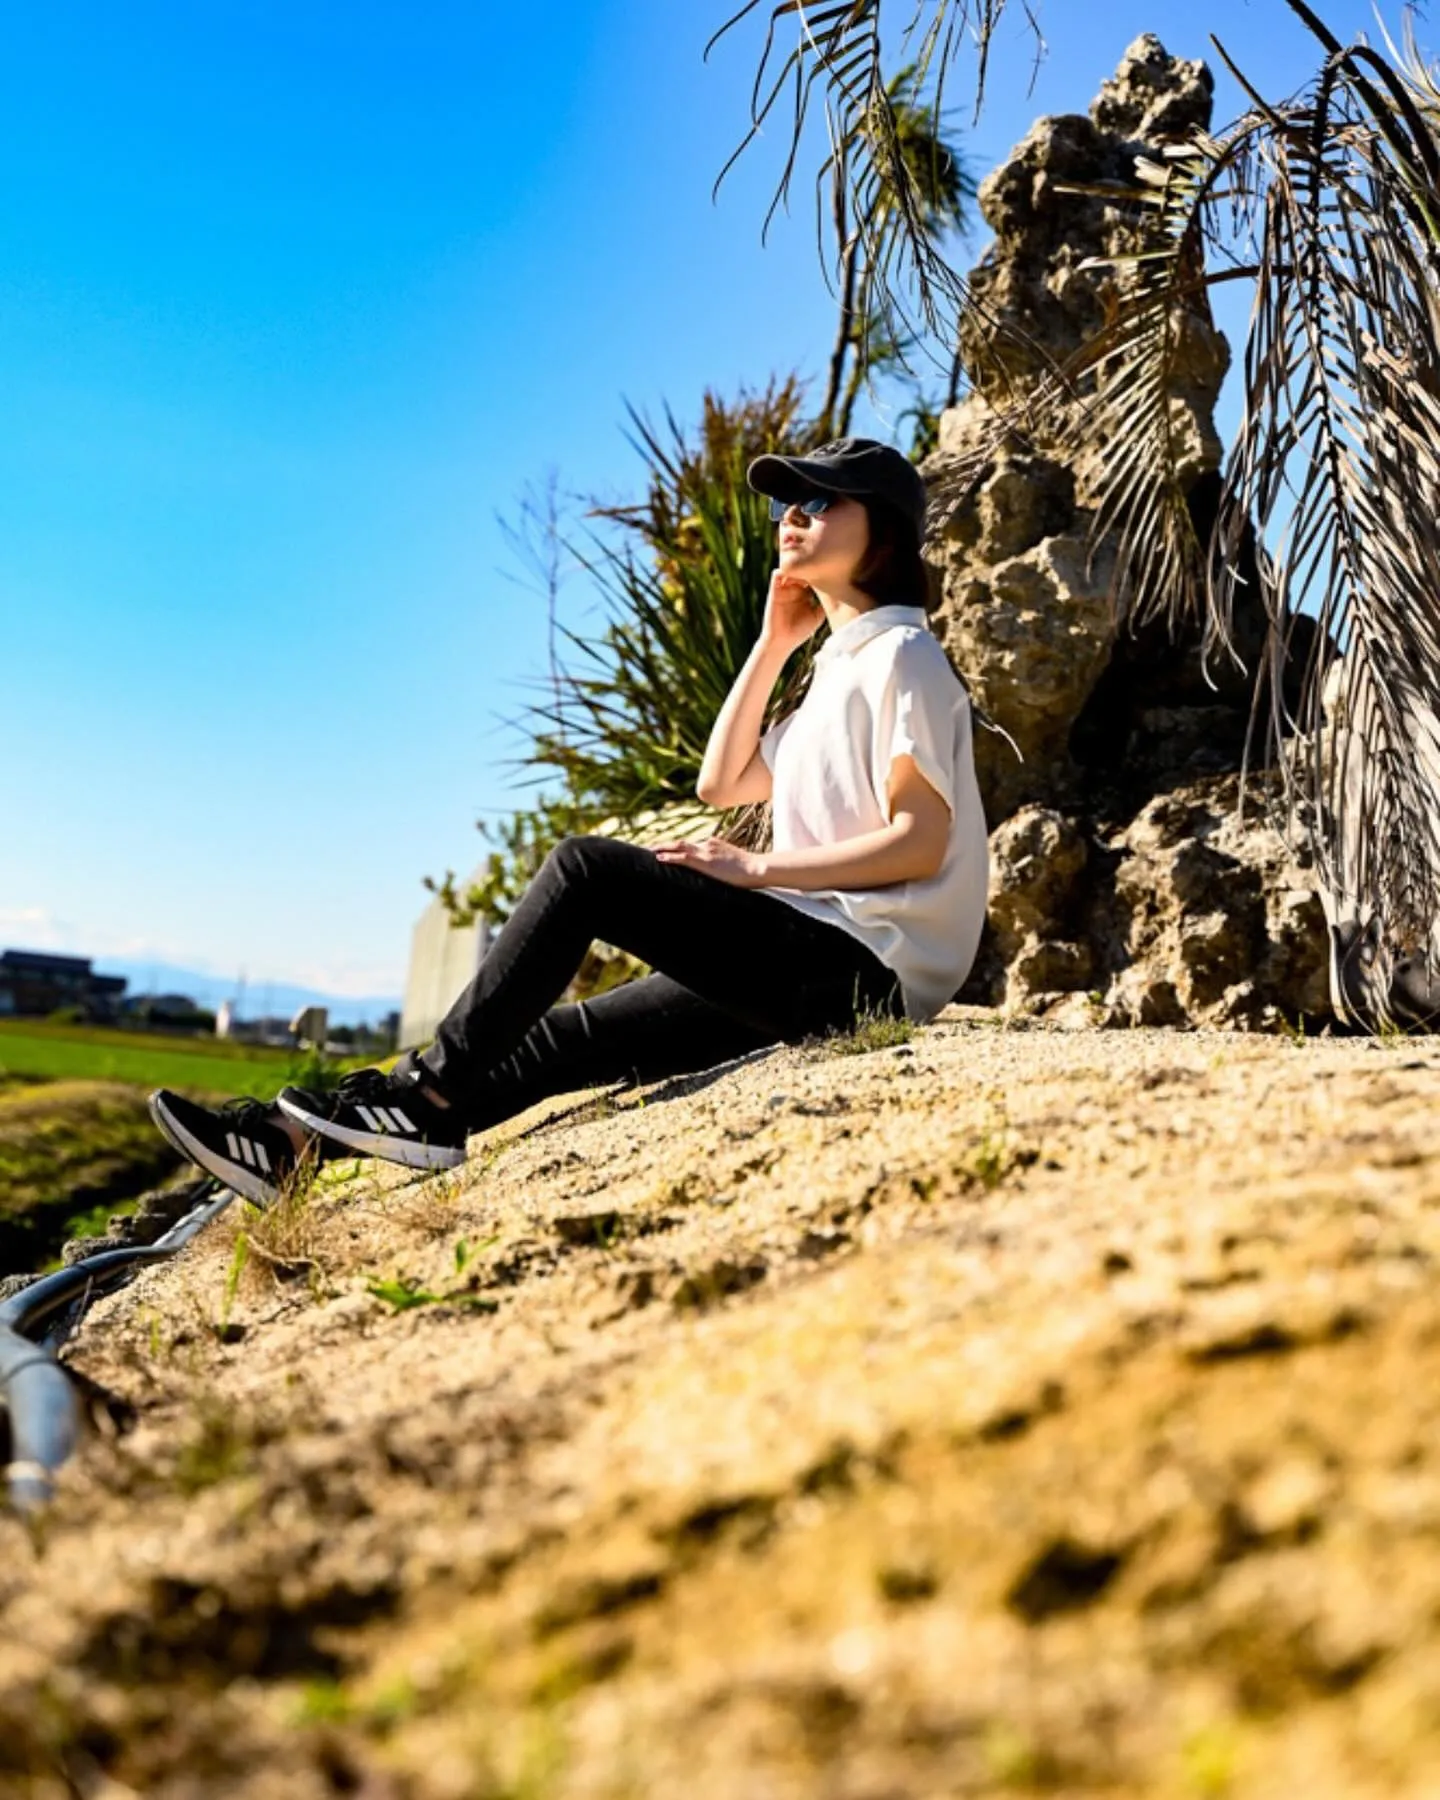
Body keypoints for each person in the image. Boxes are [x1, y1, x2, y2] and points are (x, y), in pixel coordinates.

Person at [149, 438, 991, 1206]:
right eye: (787, 504)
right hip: (804, 964)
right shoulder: (838, 669)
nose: (794, 517)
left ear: (882, 533)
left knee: (586, 872)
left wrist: (755, 871)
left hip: (863, 976)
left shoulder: (904, 657)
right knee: (555, 1041)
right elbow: (722, 782)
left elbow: (919, 839)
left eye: (821, 501)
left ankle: (429, 1104)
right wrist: (772, 645)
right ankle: (291, 1144)